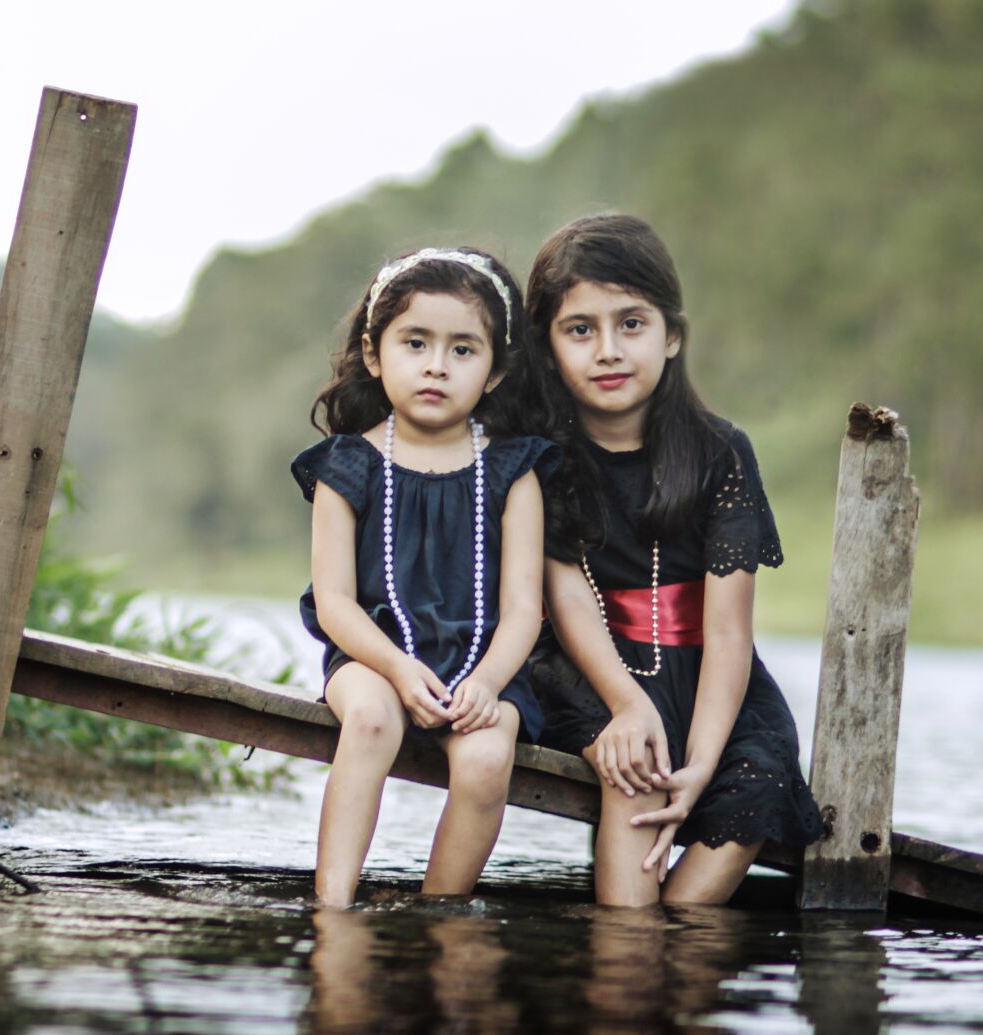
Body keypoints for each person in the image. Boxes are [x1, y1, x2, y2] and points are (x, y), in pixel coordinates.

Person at [520, 214, 823, 907]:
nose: (608, 350)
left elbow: (727, 631)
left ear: (673, 334)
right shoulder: (541, 456)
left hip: (713, 675)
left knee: (761, 777)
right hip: (587, 665)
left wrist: (705, 763)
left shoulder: (720, 454)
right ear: (549, 345)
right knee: (639, 762)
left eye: (632, 323)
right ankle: (625, 961)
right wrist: (627, 705)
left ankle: (679, 973)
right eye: (580, 329)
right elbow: (566, 598)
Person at [293, 247, 558, 907]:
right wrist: (398, 669)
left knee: (488, 757)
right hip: (372, 655)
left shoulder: (512, 470)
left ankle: (439, 914)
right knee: (374, 721)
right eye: (416, 342)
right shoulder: (346, 465)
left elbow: (525, 607)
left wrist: (489, 683)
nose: (437, 364)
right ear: (376, 354)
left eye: (464, 350)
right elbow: (334, 602)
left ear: (494, 372)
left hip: (481, 665)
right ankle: (334, 908)